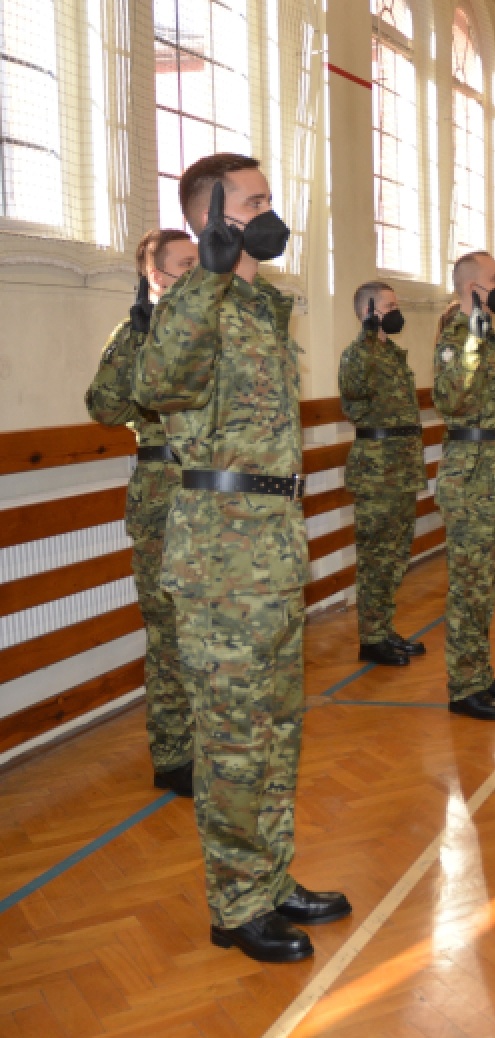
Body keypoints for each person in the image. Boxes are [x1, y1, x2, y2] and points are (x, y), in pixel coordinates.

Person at [134, 154, 349, 963]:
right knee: (230, 739)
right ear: (212, 220)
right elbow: (162, 384)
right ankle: (235, 906)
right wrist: (205, 280)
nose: (268, 209)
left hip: (271, 546)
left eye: (266, 197)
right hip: (221, 557)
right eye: (253, 200)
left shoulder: (260, 304)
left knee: (277, 729)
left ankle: (271, 876)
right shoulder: (196, 301)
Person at [85, 228, 198, 797]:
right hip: (164, 494)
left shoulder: (212, 328)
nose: (197, 272)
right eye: (185, 265)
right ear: (156, 276)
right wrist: (138, 335)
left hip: (218, 491)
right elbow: (103, 406)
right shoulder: (135, 332)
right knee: (170, 632)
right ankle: (175, 755)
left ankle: (214, 743)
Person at [434, 252, 495, 721]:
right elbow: (451, 398)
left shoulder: (490, 340)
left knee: (485, 586)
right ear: (472, 288)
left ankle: (479, 672)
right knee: (469, 587)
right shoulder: (458, 339)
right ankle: (463, 686)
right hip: (471, 481)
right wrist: (471, 335)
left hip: (493, 476)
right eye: (494, 279)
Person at [338, 281, 427, 667]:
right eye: (387, 305)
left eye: (396, 303)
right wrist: (367, 338)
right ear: (368, 311)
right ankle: (371, 638)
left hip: (402, 466)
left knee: (396, 554)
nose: (396, 310)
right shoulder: (358, 354)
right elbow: (354, 390)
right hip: (377, 469)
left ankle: (384, 627)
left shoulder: (393, 355)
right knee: (376, 556)